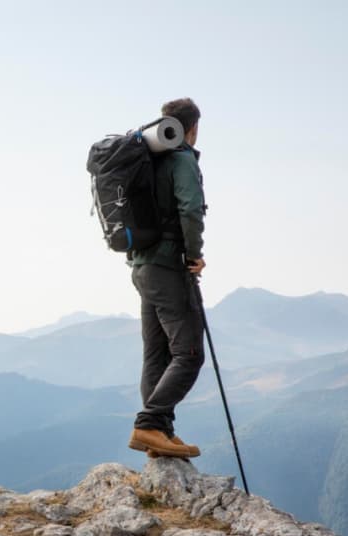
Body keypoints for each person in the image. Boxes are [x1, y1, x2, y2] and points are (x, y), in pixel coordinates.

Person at [127, 97, 207, 459]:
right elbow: (190, 209)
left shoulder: (148, 158)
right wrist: (194, 255)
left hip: (142, 267)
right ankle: (150, 424)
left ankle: (160, 433)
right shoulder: (181, 158)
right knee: (189, 353)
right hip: (169, 267)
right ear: (192, 128)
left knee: (156, 354)